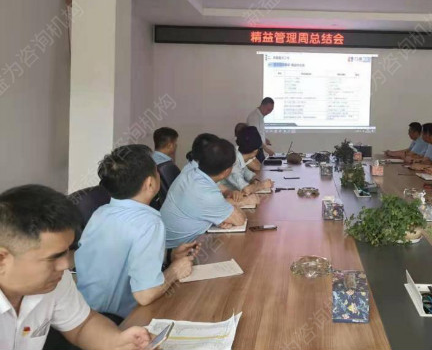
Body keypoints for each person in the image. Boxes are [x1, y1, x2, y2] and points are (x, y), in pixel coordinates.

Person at [0, 185, 151, 350]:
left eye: (67, 251)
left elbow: (82, 325)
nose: (66, 264)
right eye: (54, 257)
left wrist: (116, 341)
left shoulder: (54, 279)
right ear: (2, 259)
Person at [75, 145, 196, 321]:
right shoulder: (149, 223)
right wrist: (175, 270)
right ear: (150, 183)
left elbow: (121, 256)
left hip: (85, 312)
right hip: (117, 321)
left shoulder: (100, 212)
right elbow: (145, 295)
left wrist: (170, 256)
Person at [161, 134, 254, 248]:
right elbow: (240, 219)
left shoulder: (193, 172)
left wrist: (220, 215)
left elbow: (215, 201)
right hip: (178, 251)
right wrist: (227, 211)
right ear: (226, 171)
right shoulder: (205, 192)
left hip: (180, 242)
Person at [223, 126, 273, 194]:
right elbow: (245, 190)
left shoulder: (239, 155)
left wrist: (255, 181)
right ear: (255, 151)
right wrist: (262, 185)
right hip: (225, 197)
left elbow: (247, 174)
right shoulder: (233, 161)